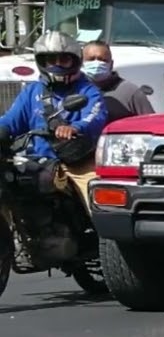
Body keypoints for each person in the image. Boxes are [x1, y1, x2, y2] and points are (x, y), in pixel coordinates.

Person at [0, 31, 107, 212]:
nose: (57, 64)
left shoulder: (89, 91)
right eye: (51, 60)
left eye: (64, 59)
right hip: (39, 159)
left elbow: (95, 117)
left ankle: (106, 239)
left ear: (75, 60)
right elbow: (11, 120)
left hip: (77, 163)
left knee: (99, 203)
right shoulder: (31, 92)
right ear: (42, 62)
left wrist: (74, 127)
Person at [82, 41, 154, 122]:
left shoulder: (130, 92)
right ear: (81, 62)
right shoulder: (75, 90)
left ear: (111, 64)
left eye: (103, 60)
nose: (97, 64)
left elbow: (151, 123)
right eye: (91, 59)